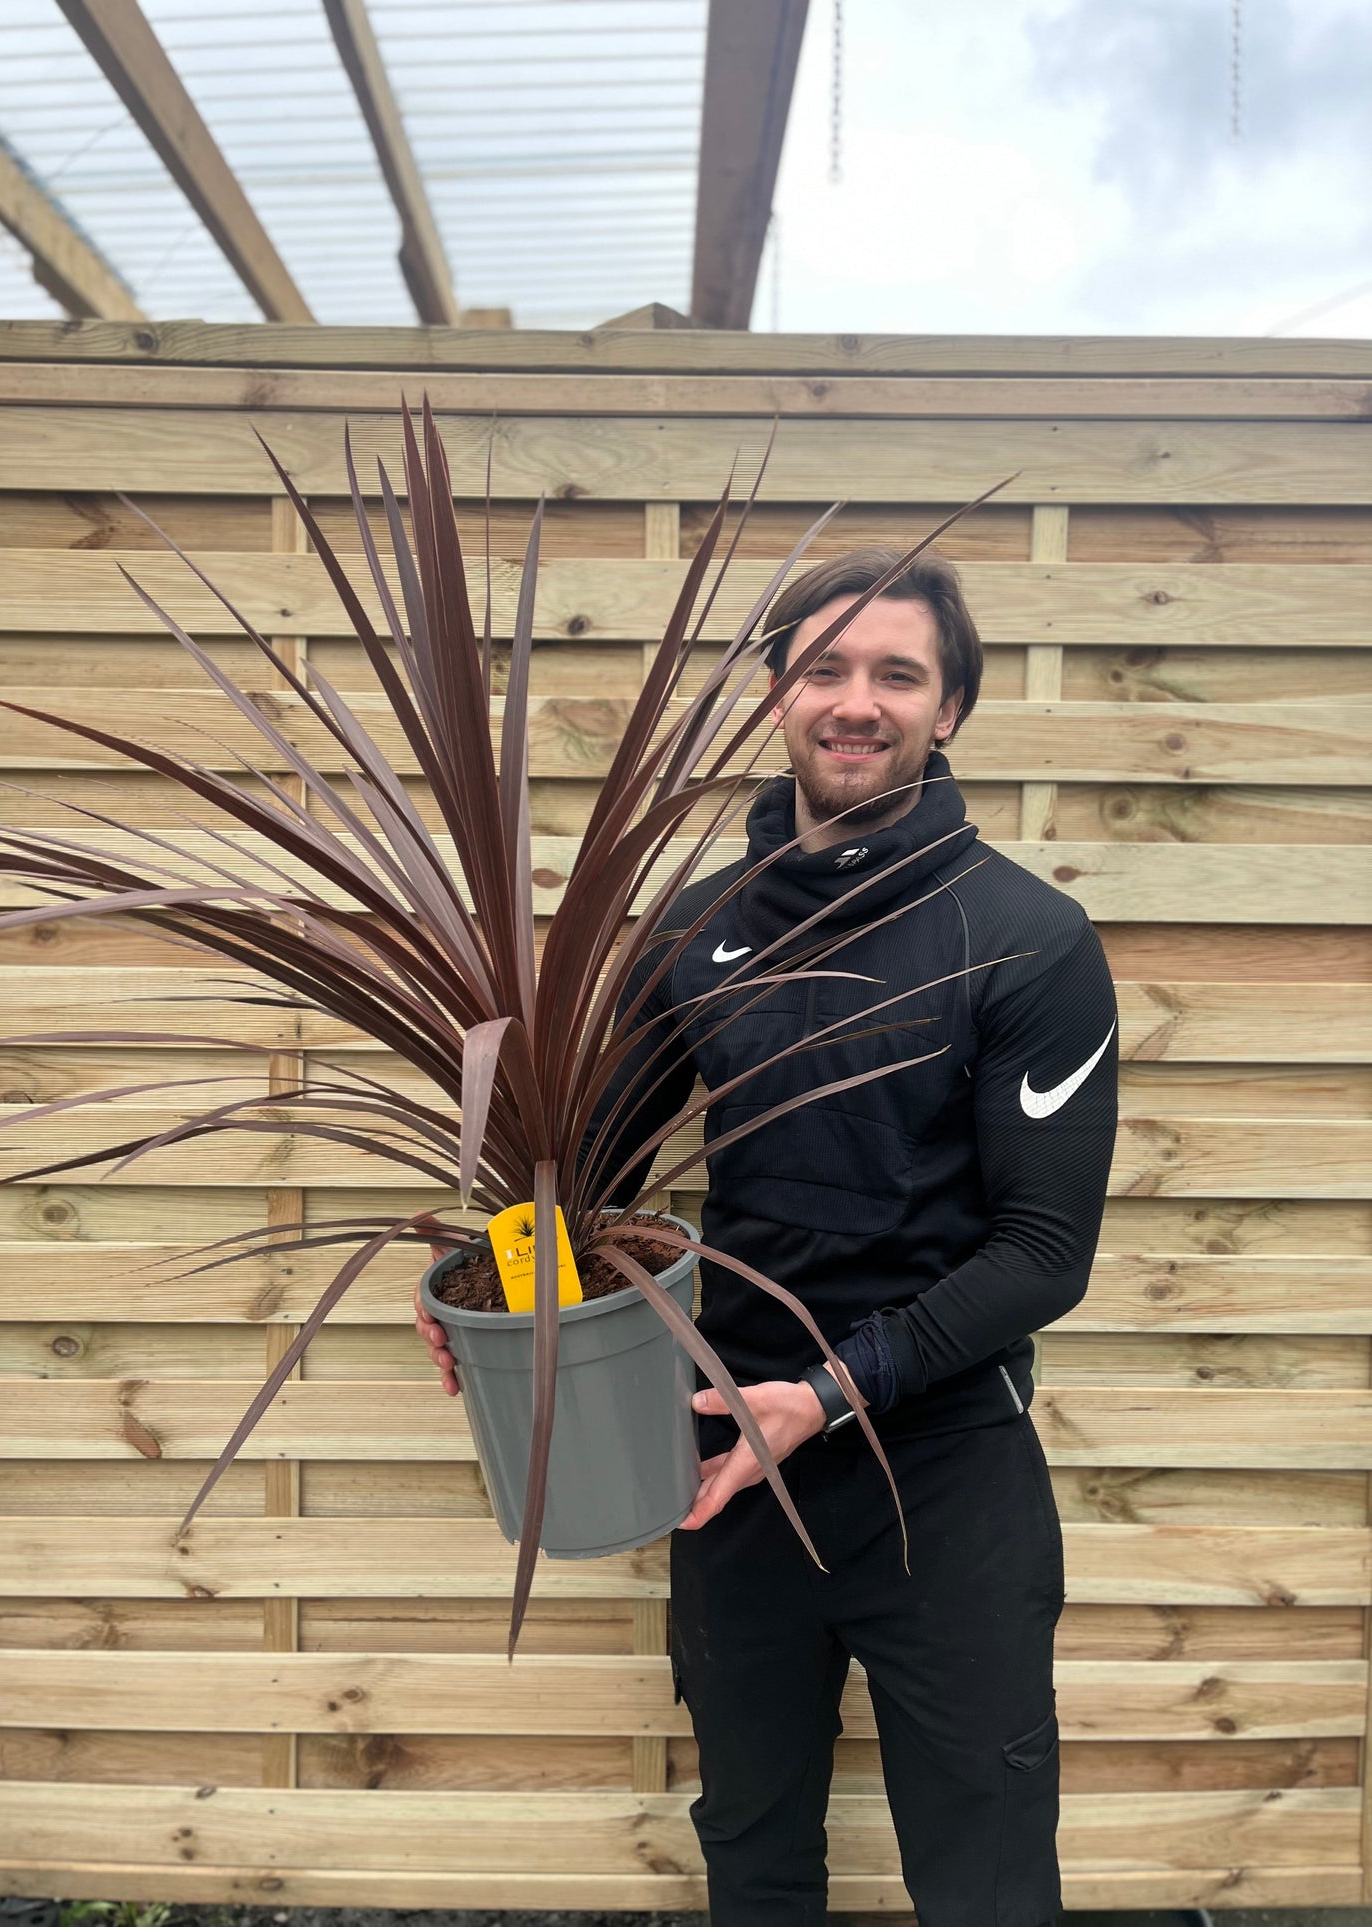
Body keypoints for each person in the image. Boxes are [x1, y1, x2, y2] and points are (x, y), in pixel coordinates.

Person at [416, 547, 1119, 1927]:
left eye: (896, 674)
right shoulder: (695, 928)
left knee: (985, 1873)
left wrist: (831, 1392)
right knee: (748, 1846)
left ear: (949, 710)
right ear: (776, 698)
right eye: (824, 669)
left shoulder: (1029, 939)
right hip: (731, 1464)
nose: (857, 702)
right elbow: (576, 1162)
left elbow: (1046, 1252)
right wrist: (484, 1297)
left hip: (945, 1474)